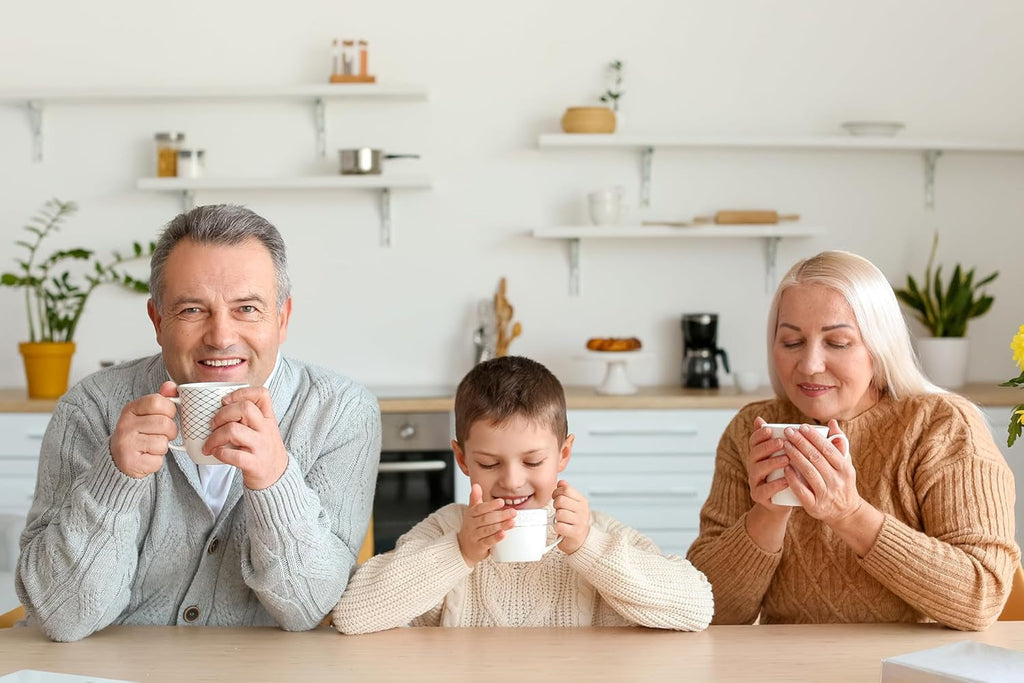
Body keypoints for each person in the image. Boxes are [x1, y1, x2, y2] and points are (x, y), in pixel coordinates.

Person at [16, 204, 382, 642]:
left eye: (247, 308)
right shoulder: (91, 407)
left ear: (282, 319)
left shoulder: (341, 411)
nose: (221, 336)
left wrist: (274, 481)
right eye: (192, 310)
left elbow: (308, 608)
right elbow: (61, 615)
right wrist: (114, 481)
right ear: (157, 320)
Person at [687, 250, 1019, 631]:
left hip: (915, 666)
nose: (810, 364)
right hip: (787, 665)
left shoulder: (942, 426)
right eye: (792, 342)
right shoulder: (751, 429)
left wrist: (848, 513)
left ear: (880, 347)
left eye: (838, 343)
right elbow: (708, 609)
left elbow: (982, 599)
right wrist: (769, 511)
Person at [332, 355, 714, 633]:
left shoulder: (592, 531)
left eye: (532, 462)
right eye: (489, 463)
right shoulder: (449, 528)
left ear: (563, 454)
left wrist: (588, 547)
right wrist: (460, 551)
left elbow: (697, 607)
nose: (513, 481)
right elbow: (352, 614)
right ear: (463, 460)